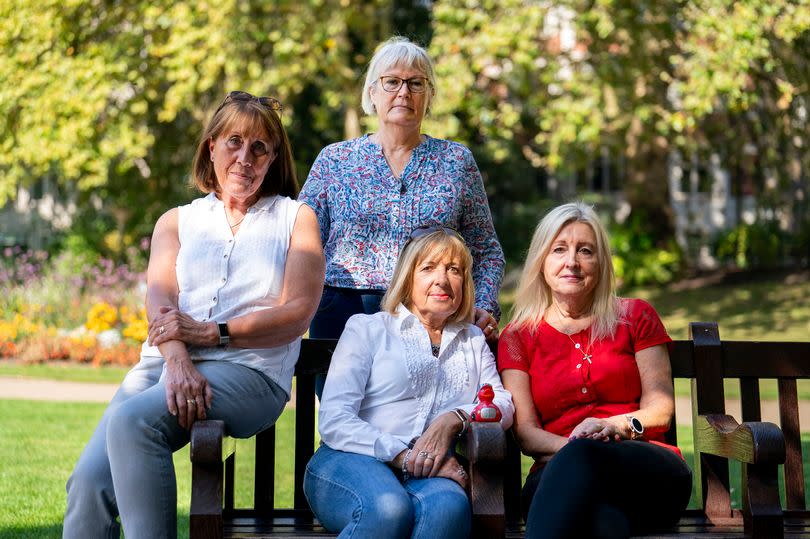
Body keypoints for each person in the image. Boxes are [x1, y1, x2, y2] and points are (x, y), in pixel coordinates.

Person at [63, 91, 325, 539]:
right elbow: (161, 304)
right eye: (234, 142)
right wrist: (179, 363)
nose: (245, 157)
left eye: (259, 147)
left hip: (249, 373)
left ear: (274, 157)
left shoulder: (296, 219)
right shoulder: (176, 221)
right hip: (164, 367)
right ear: (211, 146)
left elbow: (297, 313)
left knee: (134, 422)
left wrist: (213, 333)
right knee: (87, 483)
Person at [299, 37, 504, 371]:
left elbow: (487, 251)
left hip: (432, 313)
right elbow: (301, 246)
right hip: (343, 313)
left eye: (415, 83)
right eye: (391, 81)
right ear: (372, 93)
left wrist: (483, 305)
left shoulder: (456, 161)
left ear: (429, 95)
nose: (404, 92)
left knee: (418, 418)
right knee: (345, 415)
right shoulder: (334, 160)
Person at [497, 202, 692, 539]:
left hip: (645, 473)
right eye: (559, 249)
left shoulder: (635, 316)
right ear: (542, 261)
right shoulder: (518, 335)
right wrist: (577, 447)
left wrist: (611, 427)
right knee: (604, 526)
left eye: (585, 251)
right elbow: (526, 433)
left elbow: (660, 411)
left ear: (600, 264)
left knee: (588, 463)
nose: (571, 261)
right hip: (557, 478)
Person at [304, 226, 514, 538]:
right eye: (428, 268)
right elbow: (335, 420)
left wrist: (453, 419)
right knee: (389, 510)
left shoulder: (472, 339)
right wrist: (403, 456)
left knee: (448, 511)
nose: (441, 279)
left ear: (464, 282)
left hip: (430, 471)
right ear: (408, 277)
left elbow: (502, 403)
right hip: (350, 460)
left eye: (453, 270)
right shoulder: (368, 329)